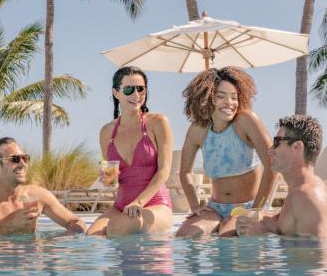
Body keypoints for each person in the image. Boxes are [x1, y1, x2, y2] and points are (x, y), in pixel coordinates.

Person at [176, 67, 277, 237]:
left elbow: (273, 164)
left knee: (227, 236)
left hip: (248, 206)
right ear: (206, 98)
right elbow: (185, 172)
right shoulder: (198, 129)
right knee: (185, 235)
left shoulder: (246, 120)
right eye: (221, 96)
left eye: (234, 97)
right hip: (215, 208)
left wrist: (256, 210)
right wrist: (195, 205)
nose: (229, 103)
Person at [87, 67, 173, 236]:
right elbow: (111, 179)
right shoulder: (107, 132)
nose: (136, 95)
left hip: (155, 204)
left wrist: (138, 202)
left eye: (140, 89)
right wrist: (105, 178)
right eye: (128, 89)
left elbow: (164, 171)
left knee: (118, 228)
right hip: (121, 206)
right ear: (116, 93)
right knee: (91, 237)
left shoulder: (157, 122)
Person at [0, 137, 86, 237]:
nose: (22, 164)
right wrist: (10, 226)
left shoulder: (36, 195)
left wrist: (57, 243)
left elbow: (76, 222)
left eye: (25, 158)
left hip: (31, 265)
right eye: (15, 159)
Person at [236, 115, 327, 241]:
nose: (270, 150)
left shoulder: (305, 197)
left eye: (277, 142)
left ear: (296, 147)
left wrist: (261, 231)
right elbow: (288, 227)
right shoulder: (300, 192)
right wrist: (264, 220)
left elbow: (314, 257)